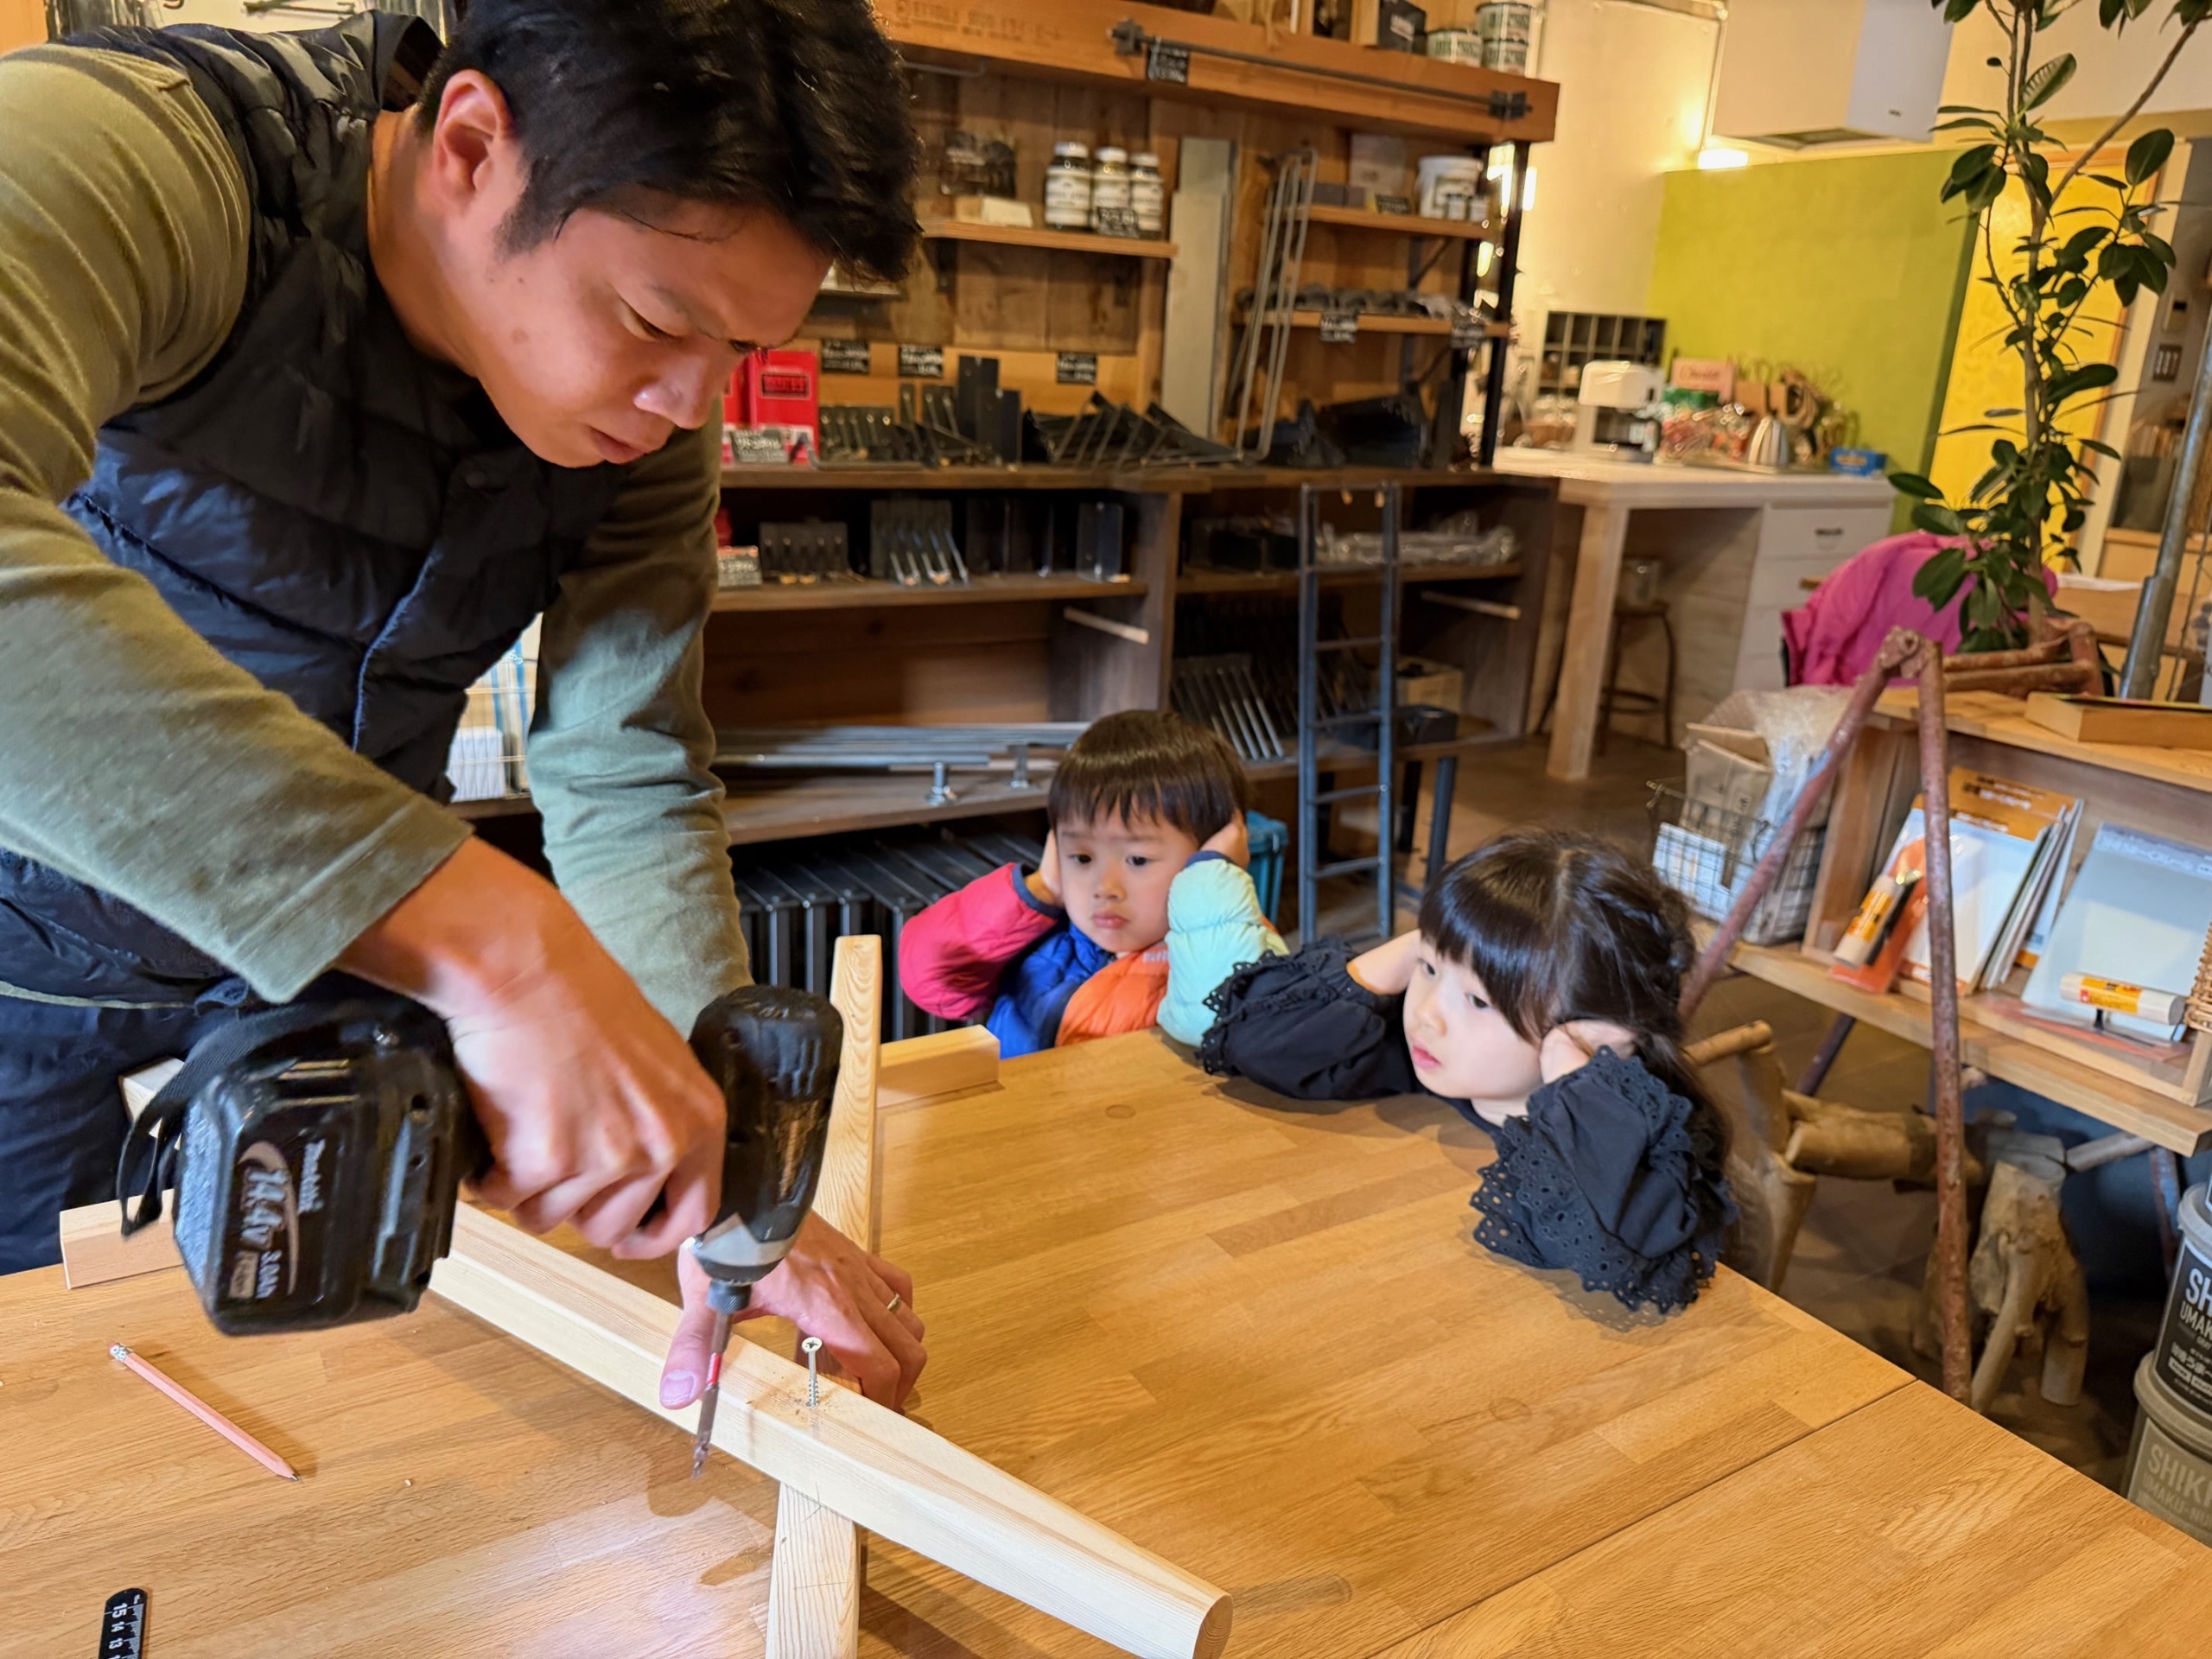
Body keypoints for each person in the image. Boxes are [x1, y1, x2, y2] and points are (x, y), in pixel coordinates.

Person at [0, 1, 925, 1408]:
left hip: (311, 975)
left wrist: (724, 1180)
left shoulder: (643, 419)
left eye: (740, 350)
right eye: (657, 320)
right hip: (20, 961)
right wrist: (495, 941)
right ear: (475, 147)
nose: (692, 405)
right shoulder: (137, 155)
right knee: (51, 1424)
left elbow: (626, 766)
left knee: (319, 1428)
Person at [1196, 831, 1737, 1314]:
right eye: (1427, 970)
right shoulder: (1435, 1062)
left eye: (1478, 1001)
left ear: (1597, 1033)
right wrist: (1440, 942)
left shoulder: (1637, 1148)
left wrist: (1576, 1081)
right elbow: (1253, 1039)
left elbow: (1614, 1253)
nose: (1427, 1015)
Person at [899, 711, 1281, 1056]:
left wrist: (1211, 882)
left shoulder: (1232, 942)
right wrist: (1042, 888)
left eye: (1137, 860)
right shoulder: (1042, 933)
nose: (1104, 887)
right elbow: (929, 977)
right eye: (1082, 858)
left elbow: (1220, 1027)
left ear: (1212, 853)